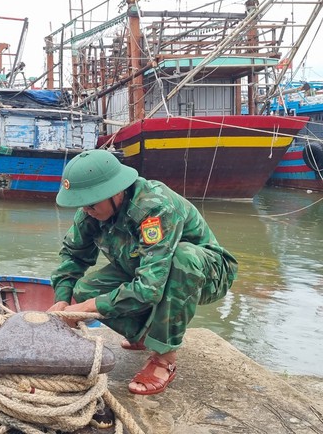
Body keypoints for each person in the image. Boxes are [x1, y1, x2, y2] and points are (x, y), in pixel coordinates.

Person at [47, 150, 237, 396]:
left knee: (183, 258)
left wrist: (86, 308)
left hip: (206, 273)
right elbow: (73, 256)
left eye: (91, 203)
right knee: (86, 290)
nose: (86, 210)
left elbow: (149, 287)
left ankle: (164, 357)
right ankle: (147, 335)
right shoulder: (91, 213)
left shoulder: (154, 207)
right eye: (82, 204)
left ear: (116, 192)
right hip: (146, 268)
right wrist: (62, 300)